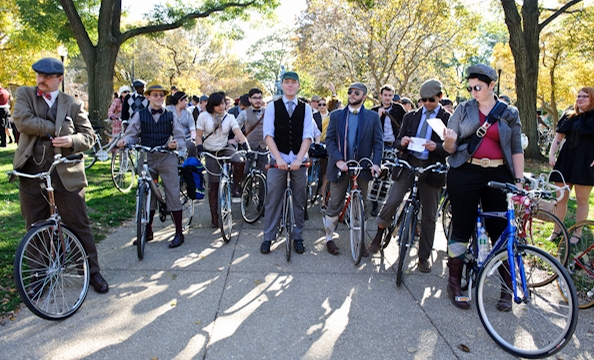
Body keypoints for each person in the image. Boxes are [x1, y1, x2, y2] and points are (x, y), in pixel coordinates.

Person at [12, 57, 109, 293]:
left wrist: (71, 139)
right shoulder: (25, 94)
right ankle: (39, 273)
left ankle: (90, 271)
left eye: (46, 76)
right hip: (31, 171)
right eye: (38, 75)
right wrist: (56, 129)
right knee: (35, 224)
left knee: (77, 221)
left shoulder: (72, 104)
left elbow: (89, 136)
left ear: (59, 79)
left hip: (65, 171)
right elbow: (22, 121)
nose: (41, 80)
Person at [443, 64, 524, 311]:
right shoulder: (463, 109)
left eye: (478, 87)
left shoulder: (509, 112)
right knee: (462, 225)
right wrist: (449, 140)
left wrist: (518, 181)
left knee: (500, 229)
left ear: (491, 85)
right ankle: (454, 283)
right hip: (465, 171)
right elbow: (449, 149)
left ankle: (506, 288)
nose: (473, 92)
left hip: (499, 172)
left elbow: (516, 148)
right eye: (470, 88)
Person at [368, 79, 451, 273]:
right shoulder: (411, 116)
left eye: (431, 100)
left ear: (439, 97)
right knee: (393, 200)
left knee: (429, 213)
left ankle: (423, 256)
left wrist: (436, 147)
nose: (427, 104)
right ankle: (379, 234)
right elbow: (397, 141)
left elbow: (450, 148)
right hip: (409, 164)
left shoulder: (447, 118)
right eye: (423, 100)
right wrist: (402, 142)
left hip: (431, 168)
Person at [117, 83, 187, 249]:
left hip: (166, 157)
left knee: (172, 192)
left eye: (161, 95)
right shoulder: (139, 115)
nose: (158, 98)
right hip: (147, 156)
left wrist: (175, 144)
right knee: (149, 194)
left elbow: (181, 137)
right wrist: (125, 141)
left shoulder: (170, 115)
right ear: (147, 97)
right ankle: (147, 231)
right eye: (155, 95)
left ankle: (179, 232)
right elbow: (132, 135)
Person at [322, 82, 383, 255]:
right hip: (341, 166)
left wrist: (376, 163)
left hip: (362, 167)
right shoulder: (336, 116)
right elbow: (330, 141)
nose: (352, 95)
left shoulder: (372, 117)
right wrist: (339, 161)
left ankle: (360, 240)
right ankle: (329, 238)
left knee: (362, 206)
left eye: (357, 93)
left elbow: (378, 143)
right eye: (350, 92)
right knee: (335, 203)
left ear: (364, 96)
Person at [260, 71, 314, 255]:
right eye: (287, 82)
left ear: (298, 85)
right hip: (278, 157)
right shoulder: (272, 107)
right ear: (282, 85)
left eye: (294, 82)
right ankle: (268, 236)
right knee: (273, 198)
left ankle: (297, 236)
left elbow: (308, 135)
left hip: (299, 158)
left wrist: (299, 158)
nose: (290, 85)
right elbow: (268, 135)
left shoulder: (306, 108)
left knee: (299, 199)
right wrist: (279, 158)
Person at [196, 92, 250, 228]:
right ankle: (215, 217)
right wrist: (200, 148)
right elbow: (198, 136)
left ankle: (236, 185)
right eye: (217, 104)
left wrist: (246, 146)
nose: (221, 107)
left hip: (224, 147)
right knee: (213, 185)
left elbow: (239, 133)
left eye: (223, 103)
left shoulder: (229, 117)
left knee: (239, 160)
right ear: (211, 105)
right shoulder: (203, 117)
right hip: (210, 151)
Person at [548, 87, 594, 244]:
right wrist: (551, 153)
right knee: (560, 198)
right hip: (566, 160)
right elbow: (558, 138)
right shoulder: (569, 116)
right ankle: (556, 230)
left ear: (592, 99)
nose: (580, 99)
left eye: (585, 96)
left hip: (586, 161)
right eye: (578, 96)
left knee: (582, 200)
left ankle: (577, 233)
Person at [370, 84, 407, 216]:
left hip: (394, 145)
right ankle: (374, 204)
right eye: (385, 95)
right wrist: (378, 117)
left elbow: (406, 124)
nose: (387, 98)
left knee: (392, 176)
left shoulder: (398, 109)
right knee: (377, 175)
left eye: (390, 95)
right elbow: (369, 129)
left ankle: (388, 204)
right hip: (379, 146)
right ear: (381, 95)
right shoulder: (374, 111)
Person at [236, 88, 268, 173]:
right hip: (249, 147)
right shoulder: (244, 113)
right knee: (244, 173)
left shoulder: (268, 112)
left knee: (266, 174)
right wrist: (238, 137)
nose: (258, 100)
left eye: (260, 98)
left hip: (263, 148)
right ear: (250, 99)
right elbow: (235, 127)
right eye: (255, 98)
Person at [166, 91, 196, 157]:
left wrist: (193, 138)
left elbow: (192, 127)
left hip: (186, 138)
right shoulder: (168, 110)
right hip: (171, 138)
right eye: (185, 101)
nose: (187, 103)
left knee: (192, 146)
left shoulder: (188, 112)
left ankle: (190, 163)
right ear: (179, 101)